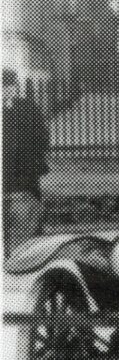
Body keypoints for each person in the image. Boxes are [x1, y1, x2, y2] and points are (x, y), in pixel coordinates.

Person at [4, 68, 50, 255]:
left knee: (30, 211)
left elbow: (43, 136)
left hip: (25, 171)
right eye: (3, 87)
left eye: (10, 86)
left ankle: (32, 249)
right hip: (4, 174)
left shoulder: (28, 107)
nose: (6, 91)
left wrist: (33, 157)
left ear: (15, 87)